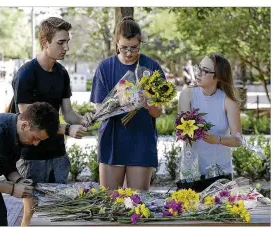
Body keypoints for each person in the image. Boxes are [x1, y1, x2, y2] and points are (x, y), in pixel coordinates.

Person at [11, 17, 92, 226]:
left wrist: (85, 120)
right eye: (60, 42)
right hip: (32, 156)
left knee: (58, 214)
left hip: (58, 156)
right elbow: (29, 122)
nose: (66, 47)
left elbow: (68, 112)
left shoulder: (62, 73)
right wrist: (67, 130)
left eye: (67, 42)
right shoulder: (26, 74)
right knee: (32, 214)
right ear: (44, 42)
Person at [90, 17, 165, 191]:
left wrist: (147, 103)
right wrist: (121, 100)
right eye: (124, 48)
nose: (129, 53)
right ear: (116, 44)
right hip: (112, 140)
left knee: (138, 202)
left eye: (134, 48)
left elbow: (158, 112)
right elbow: (99, 111)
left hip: (141, 140)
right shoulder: (105, 67)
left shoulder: (152, 67)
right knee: (109, 202)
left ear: (140, 43)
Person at [177, 53, 242, 192]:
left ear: (218, 77)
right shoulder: (187, 95)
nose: (198, 73)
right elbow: (183, 132)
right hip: (191, 173)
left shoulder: (228, 101)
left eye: (205, 71)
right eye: (199, 68)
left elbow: (238, 140)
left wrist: (217, 139)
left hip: (220, 174)